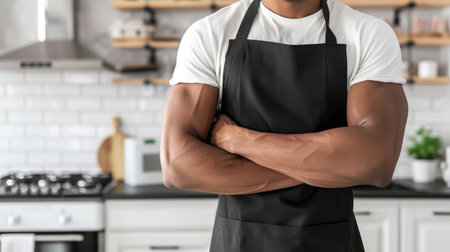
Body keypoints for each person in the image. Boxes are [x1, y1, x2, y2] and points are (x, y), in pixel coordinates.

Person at [160, 0, 408, 250]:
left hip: (331, 240)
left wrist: (239, 140)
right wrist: (326, 167)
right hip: (239, 241)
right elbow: (179, 165)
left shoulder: (368, 34)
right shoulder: (210, 33)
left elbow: (376, 162)